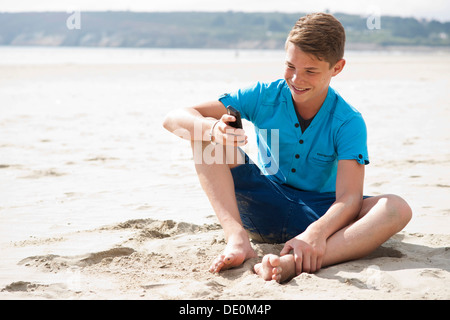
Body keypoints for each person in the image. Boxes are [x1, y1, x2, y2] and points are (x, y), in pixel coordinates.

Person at [163, 13, 412, 283]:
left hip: (317, 216)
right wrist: (214, 129)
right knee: (200, 132)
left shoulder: (349, 121)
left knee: (396, 208)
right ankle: (237, 241)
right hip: (262, 202)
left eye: (310, 71)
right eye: (290, 66)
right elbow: (173, 118)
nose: (296, 79)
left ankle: (295, 262)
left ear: (337, 68)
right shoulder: (263, 94)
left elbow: (349, 199)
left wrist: (314, 233)